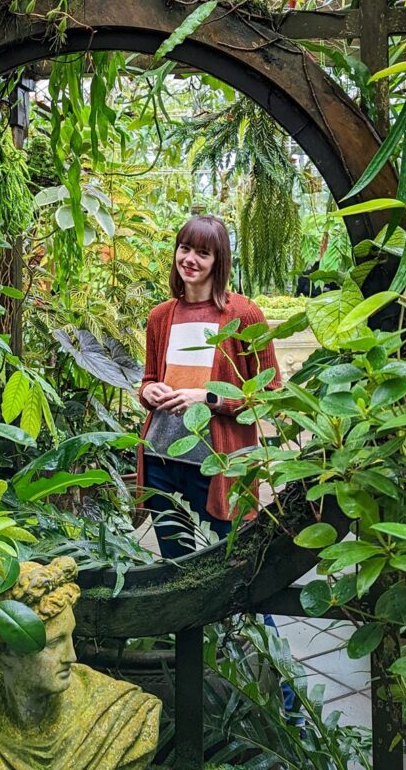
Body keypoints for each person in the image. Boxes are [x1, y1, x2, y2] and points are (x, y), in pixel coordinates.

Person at [138, 214, 282, 559]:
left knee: (235, 560)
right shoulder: (161, 316)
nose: (190, 259)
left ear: (219, 261)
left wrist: (209, 398)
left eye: (203, 253)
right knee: (178, 565)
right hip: (161, 456)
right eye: (184, 248)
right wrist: (147, 392)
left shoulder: (244, 314)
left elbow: (271, 388)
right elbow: (149, 378)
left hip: (220, 463)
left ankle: (256, 617)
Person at [0, 557, 161, 770]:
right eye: (53, 643)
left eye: (71, 637)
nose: (71, 656)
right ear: (5, 653)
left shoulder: (123, 719)